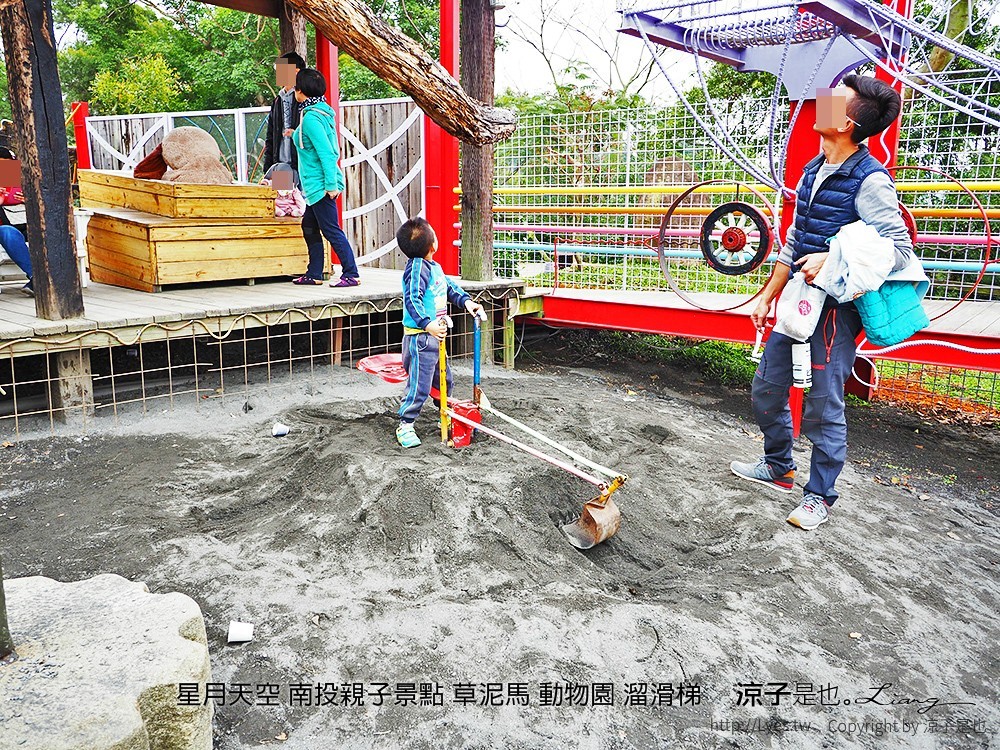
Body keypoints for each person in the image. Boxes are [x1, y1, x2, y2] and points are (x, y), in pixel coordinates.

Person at [730, 75, 912, 531]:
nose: (824, 102)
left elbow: (901, 249)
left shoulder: (870, 180)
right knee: (767, 388)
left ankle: (819, 496)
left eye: (837, 100)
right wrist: (767, 296)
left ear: (848, 122)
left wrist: (834, 256)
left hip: (836, 311)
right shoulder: (814, 168)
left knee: (823, 403)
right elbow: (794, 240)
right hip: (798, 300)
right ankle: (778, 466)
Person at [395, 217, 486, 448]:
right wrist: (427, 324)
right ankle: (406, 423)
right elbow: (412, 299)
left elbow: (449, 288)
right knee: (420, 383)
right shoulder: (416, 269)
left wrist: (466, 302)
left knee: (443, 379)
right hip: (420, 337)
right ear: (432, 245)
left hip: (436, 336)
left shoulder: (434, 268)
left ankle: (444, 412)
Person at [289, 68, 360, 288]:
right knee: (309, 226)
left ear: (301, 92)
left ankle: (351, 273)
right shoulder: (319, 113)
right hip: (314, 186)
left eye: (296, 88)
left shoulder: (311, 118)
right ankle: (314, 273)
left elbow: (327, 153)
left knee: (330, 230)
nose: (294, 91)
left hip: (321, 185)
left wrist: (331, 184)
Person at [262, 51, 306, 181]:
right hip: (281, 165)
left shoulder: (305, 98)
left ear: (296, 71)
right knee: (284, 201)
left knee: (303, 201)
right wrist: (268, 169)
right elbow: (270, 137)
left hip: (303, 166)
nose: (278, 73)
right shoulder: (277, 101)